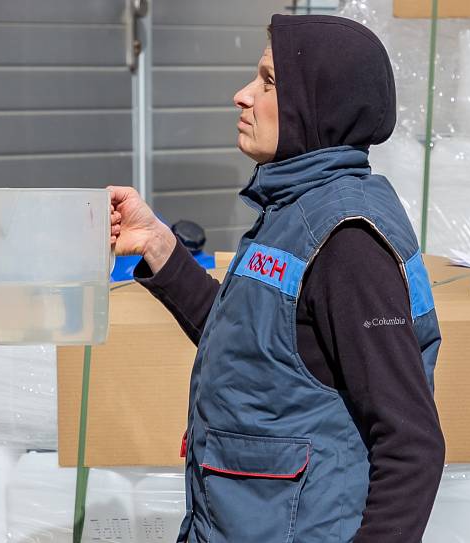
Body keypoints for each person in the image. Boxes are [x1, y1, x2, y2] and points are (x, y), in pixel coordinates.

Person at [109, 14, 445, 543]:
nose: (242, 96)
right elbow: (256, 343)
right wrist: (157, 244)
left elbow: (412, 443)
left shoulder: (347, 242)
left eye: (267, 81)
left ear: (317, 104)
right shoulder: (294, 213)